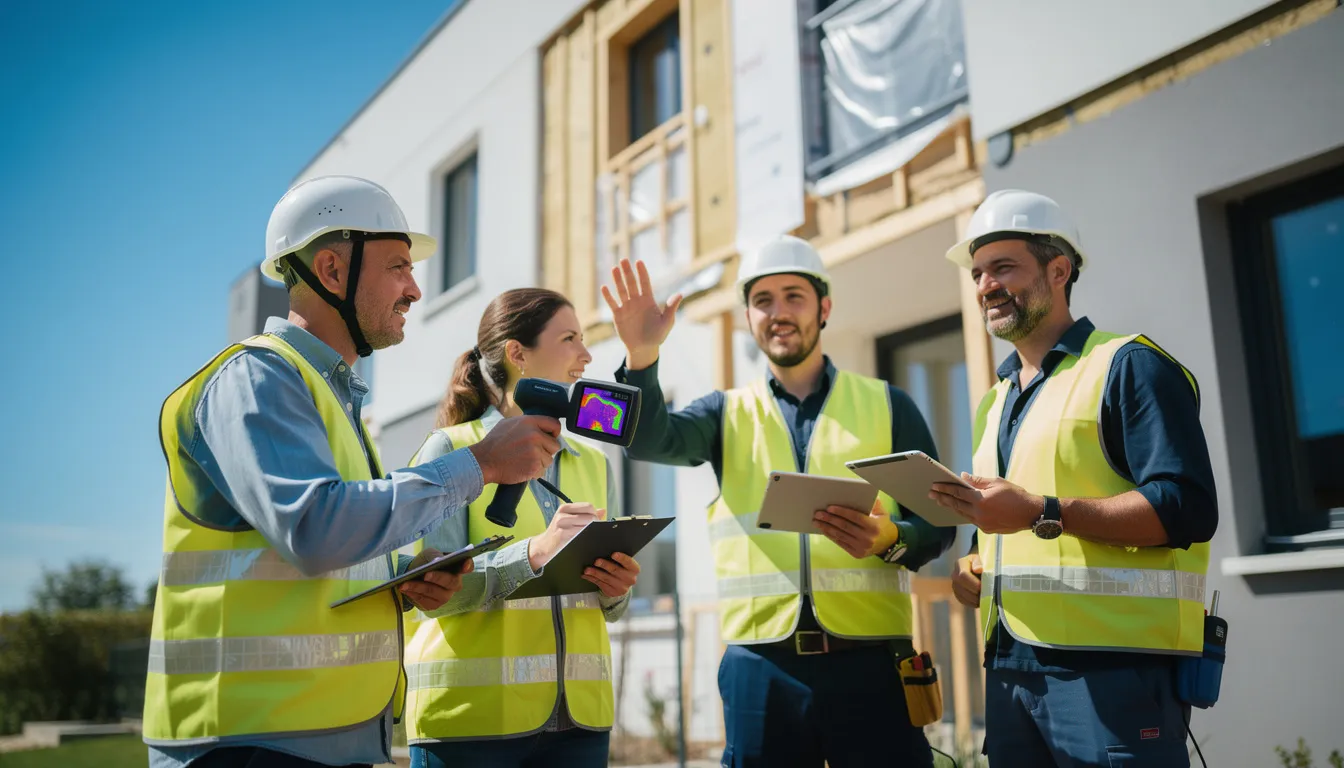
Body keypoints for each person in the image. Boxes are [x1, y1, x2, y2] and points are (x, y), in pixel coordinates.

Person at [145, 176, 562, 768]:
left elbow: (327, 551)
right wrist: (482, 463)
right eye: (397, 266)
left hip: (322, 737)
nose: (415, 289)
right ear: (332, 270)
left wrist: (403, 574)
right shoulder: (256, 378)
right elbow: (315, 529)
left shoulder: (329, 398)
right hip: (245, 744)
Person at [602, 240, 955, 768]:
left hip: (872, 664)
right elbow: (647, 440)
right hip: (760, 670)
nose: (779, 311)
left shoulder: (888, 405)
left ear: (824, 308)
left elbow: (939, 522)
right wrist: (643, 356)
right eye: (763, 299)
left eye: (794, 295)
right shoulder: (723, 414)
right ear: (748, 316)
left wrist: (892, 538)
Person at [931, 189, 1219, 767]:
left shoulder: (1127, 366)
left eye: (1004, 267)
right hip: (1010, 673)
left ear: (1058, 270)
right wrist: (972, 569)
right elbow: (1000, 524)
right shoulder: (994, 400)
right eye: (979, 272)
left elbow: (1186, 508)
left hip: (1113, 676)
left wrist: (1044, 511)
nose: (986, 284)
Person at [403, 288, 641, 768]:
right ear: (518, 354)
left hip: (579, 725)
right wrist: (533, 554)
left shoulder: (594, 462)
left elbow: (609, 608)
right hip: (473, 725)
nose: (586, 354)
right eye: (570, 338)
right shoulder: (450, 452)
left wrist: (616, 590)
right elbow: (432, 593)